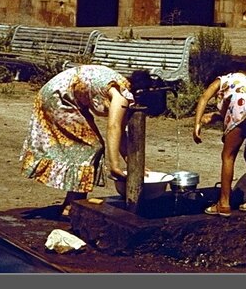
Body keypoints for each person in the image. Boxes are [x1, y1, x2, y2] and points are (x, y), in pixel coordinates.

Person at [20, 65, 151, 214]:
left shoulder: (121, 85)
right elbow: (114, 127)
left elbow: (120, 131)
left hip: (59, 94)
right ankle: (71, 207)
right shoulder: (120, 96)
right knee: (90, 147)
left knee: (89, 147)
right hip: (58, 98)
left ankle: (71, 204)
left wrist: (133, 164)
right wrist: (114, 166)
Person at [193, 70, 246, 217]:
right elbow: (233, 112)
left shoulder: (221, 80)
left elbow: (204, 98)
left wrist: (197, 124)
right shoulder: (244, 81)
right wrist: (216, 117)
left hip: (243, 107)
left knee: (228, 156)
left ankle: (223, 203)